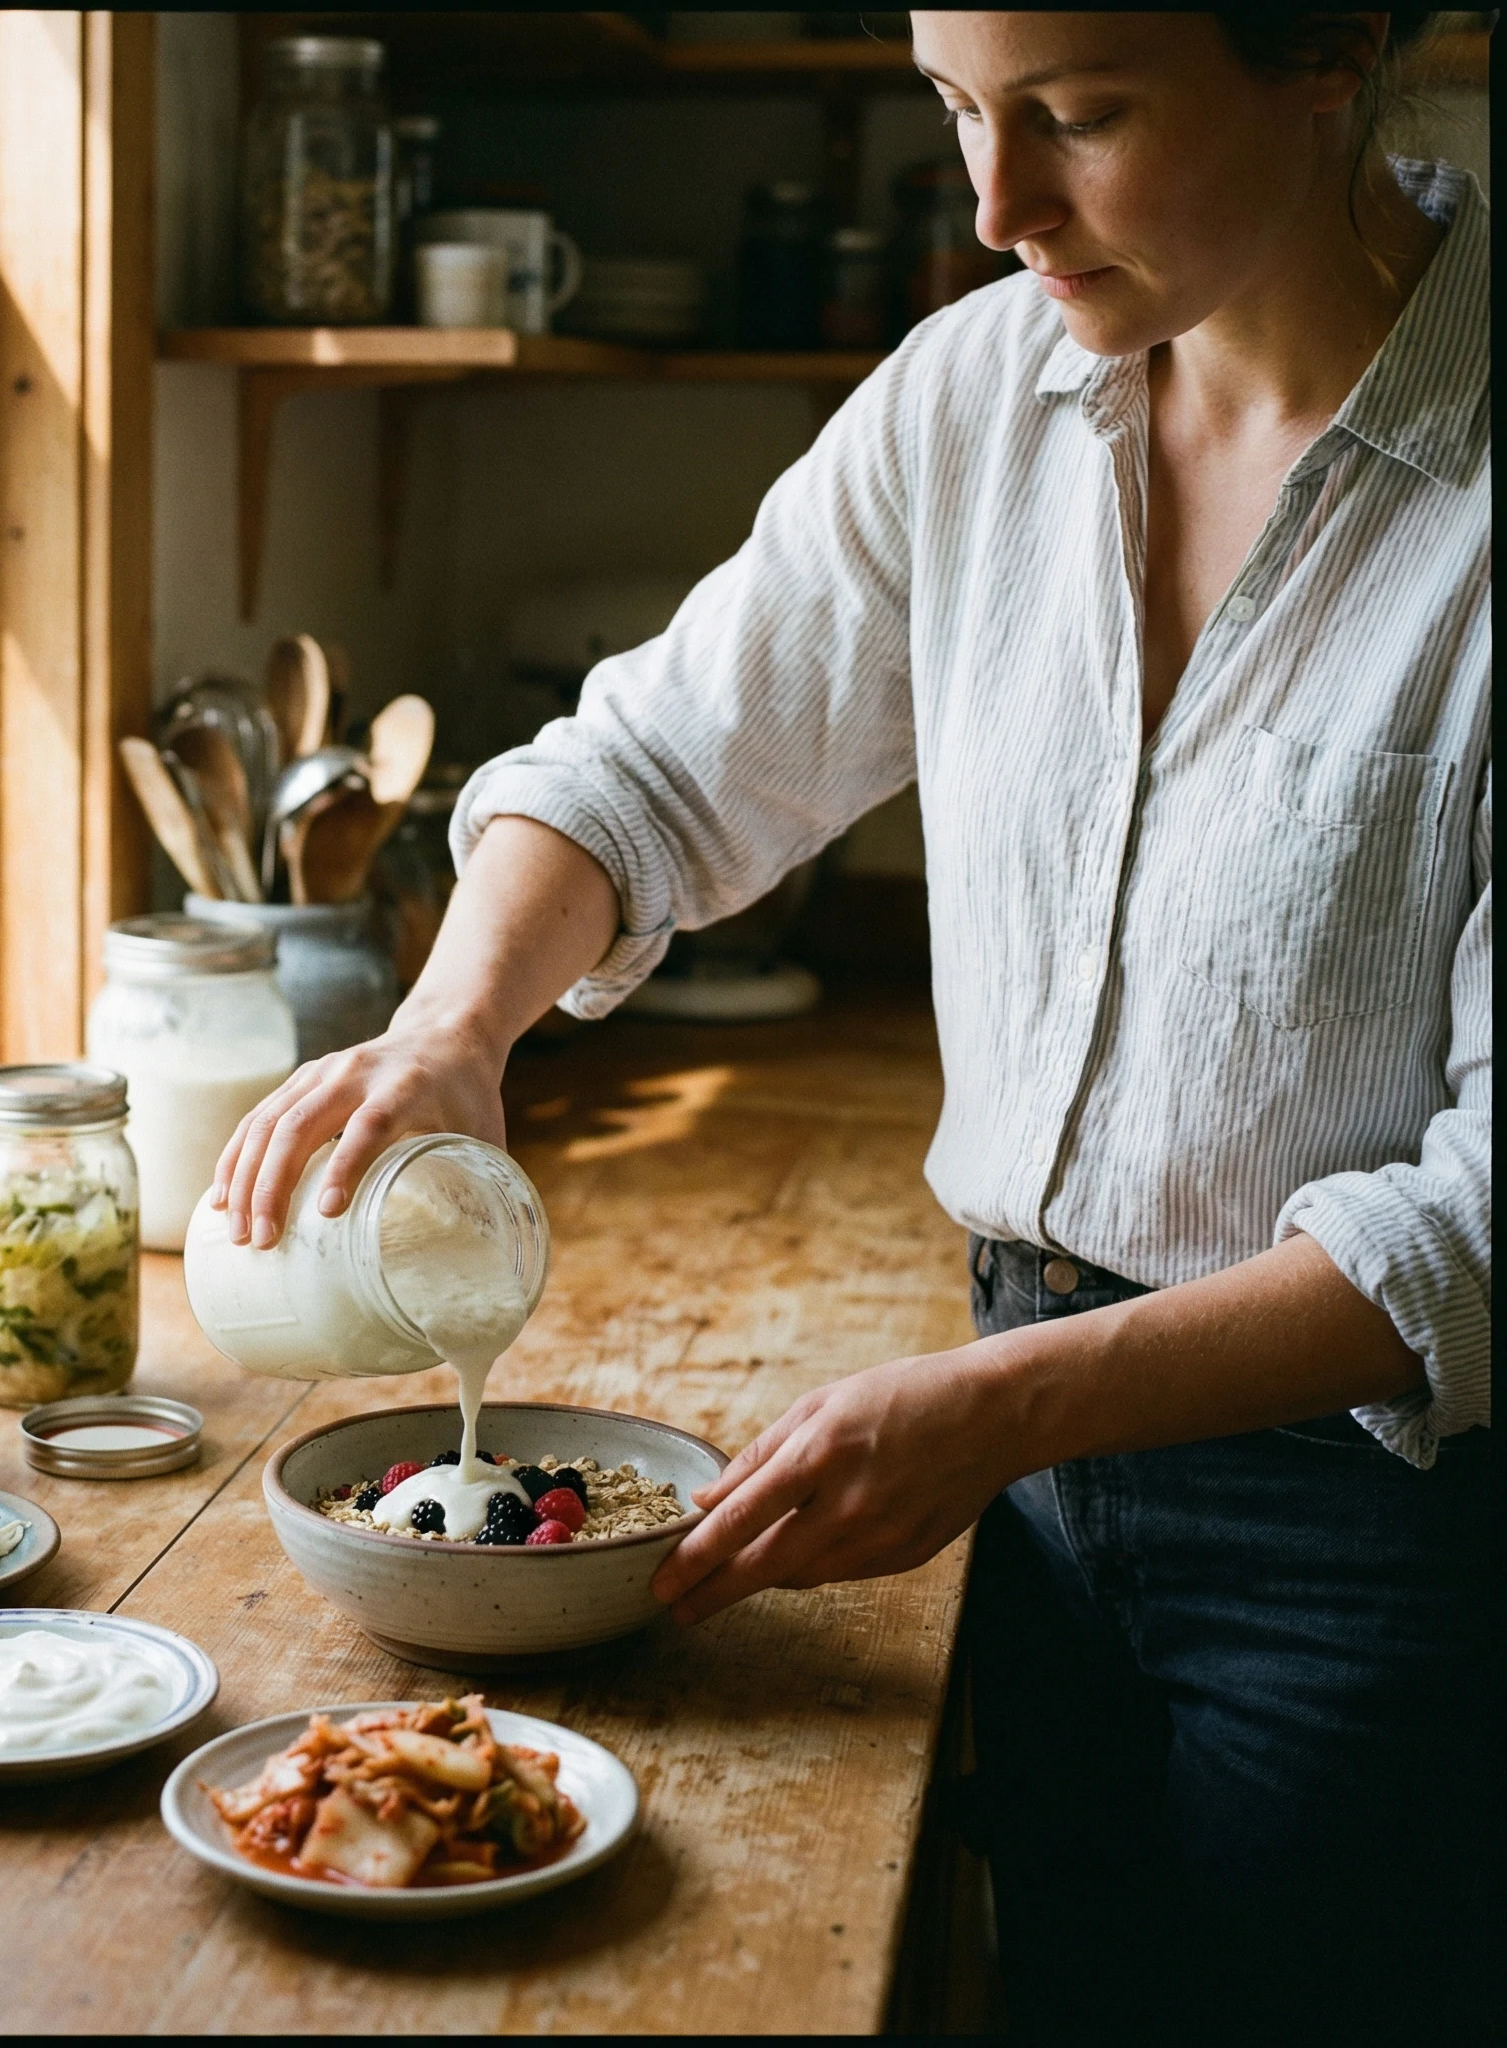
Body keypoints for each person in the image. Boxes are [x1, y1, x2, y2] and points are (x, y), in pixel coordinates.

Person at [208, 12, 1489, 2037]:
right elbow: (649, 764)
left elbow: (1486, 1221)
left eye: (1076, 115)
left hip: (1383, 1528)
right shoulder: (974, 402)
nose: (993, 212)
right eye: (957, 112)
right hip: (1021, 1452)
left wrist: (1007, 1406)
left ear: (1321, 48)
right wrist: (462, 1026)